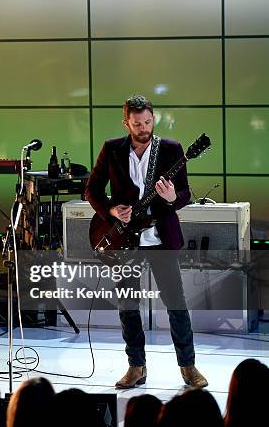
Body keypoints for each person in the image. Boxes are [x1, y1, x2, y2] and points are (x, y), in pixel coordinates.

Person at [85, 95, 208, 388]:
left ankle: (189, 368)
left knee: (176, 303)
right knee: (128, 305)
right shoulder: (112, 149)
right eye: (137, 123)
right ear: (126, 122)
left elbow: (185, 194)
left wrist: (171, 198)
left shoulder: (172, 149)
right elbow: (91, 189)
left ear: (155, 119)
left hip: (160, 238)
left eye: (148, 122)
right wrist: (112, 210)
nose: (143, 128)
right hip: (124, 239)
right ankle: (136, 367)